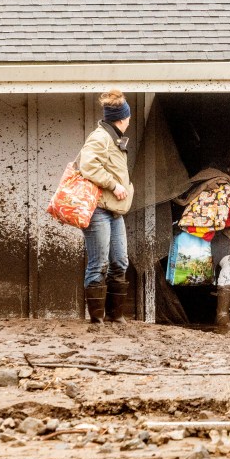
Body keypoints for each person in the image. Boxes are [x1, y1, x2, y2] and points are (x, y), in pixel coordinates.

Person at [174, 143, 230, 332]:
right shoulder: (213, 173)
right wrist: (222, 199)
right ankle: (221, 316)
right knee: (227, 265)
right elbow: (195, 195)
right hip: (214, 232)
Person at [77, 90, 135, 323]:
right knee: (99, 263)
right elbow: (87, 166)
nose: (129, 120)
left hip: (114, 211)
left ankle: (115, 316)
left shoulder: (113, 137)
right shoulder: (100, 137)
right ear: (122, 118)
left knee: (120, 261)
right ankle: (97, 320)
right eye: (128, 116)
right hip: (99, 209)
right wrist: (113, 185)